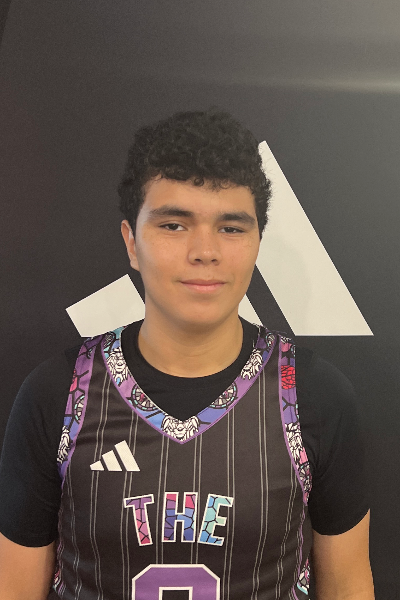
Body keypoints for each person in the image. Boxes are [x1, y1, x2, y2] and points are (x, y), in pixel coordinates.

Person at [0, 108, 374, 600]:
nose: (205, 251)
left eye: (231, 228)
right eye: (174, 225)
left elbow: (347, 583)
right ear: (131, 242)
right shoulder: (59, 393)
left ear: (257, 242)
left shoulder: (315, 395)